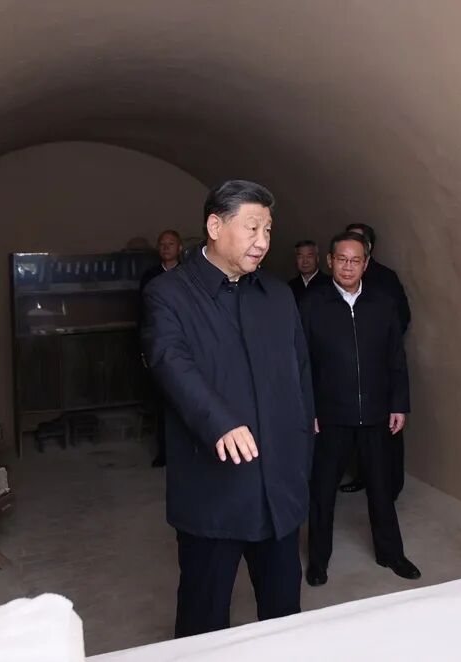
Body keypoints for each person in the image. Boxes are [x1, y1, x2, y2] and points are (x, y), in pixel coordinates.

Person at [140, 180, 315, 638]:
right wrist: (219, 422)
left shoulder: (277, 295)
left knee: (284, 617)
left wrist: (301, 453)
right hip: (213, 491)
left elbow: (300, 374)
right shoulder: (168, 293)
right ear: (215, 227)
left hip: (278, 489)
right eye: (252, 227)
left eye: (268, 229)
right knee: (204, 619)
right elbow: (170, 361)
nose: (263, 241)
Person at [300, 230, 420, 586]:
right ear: (330, 261)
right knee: (322, 491)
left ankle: (391, 553)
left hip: (377, 413)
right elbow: (299, 363)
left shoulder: (383, 303)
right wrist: (308, 409)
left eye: (355, 260)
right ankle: (318, 560)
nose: (348, 267)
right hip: (330, 416)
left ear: (366, 264)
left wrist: (399, 403)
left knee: (381, 488)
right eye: (342, 259)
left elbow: (396, 358)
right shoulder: (311, 305)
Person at [340, 222, 412, 497]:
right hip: (350, 375)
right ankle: (363, 476)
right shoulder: (336, 284)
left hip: (379, 371)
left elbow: (400, 318)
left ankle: (391, 486)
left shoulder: (385, 278)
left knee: (388, 434)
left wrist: (374, 344)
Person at [139, 230, 183, 467]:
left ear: (180, 248)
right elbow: (142, 315)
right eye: (162, 244)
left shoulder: (189, 275)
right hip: (159, 345)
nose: (166, 247)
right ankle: (164, 452)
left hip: (185, 346)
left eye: (171, 243)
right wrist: (144, 349)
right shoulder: (150, 277)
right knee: (162, 403)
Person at [288, 240, 331, 306]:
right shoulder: (290, 287)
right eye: (300, 257)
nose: (305, 261)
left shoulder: (330, 283)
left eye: (309, 256)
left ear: (317, 258)